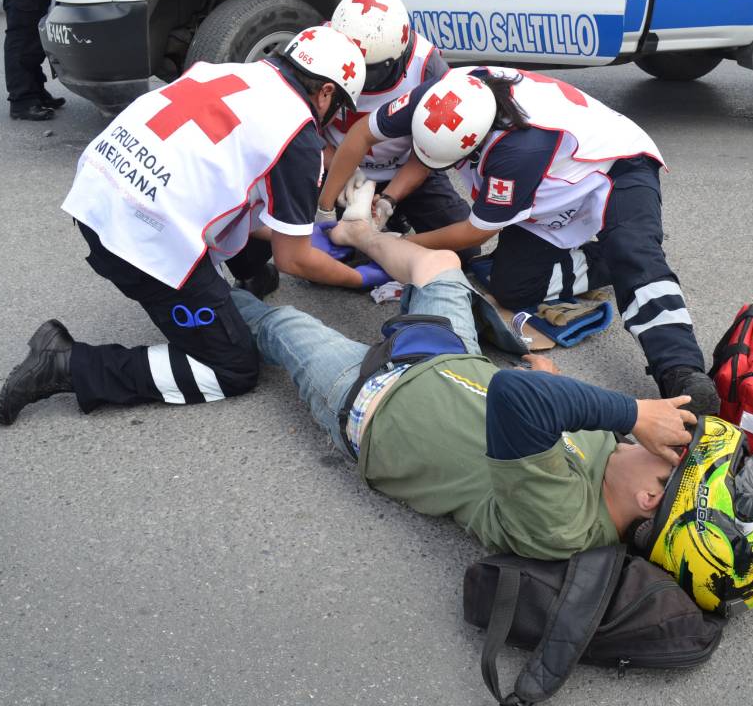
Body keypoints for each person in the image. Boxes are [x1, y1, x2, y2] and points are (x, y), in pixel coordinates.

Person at [229, 216, 698, 558]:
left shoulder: (563, 525)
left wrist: (635, 413)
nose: (661, 440)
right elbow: (542, 414)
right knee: (441, 263)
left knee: (277, 323)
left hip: (370, 401)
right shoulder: (615, 463)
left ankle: (188, 287)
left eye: (671, 453)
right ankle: (356, 230)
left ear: (650, 498)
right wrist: (552, 385)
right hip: (448, 355)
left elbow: (515, 400)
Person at [0, 26, 390, 425]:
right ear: (325, 93)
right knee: (232, 367)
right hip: (137, 240)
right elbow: (296, 261)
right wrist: (359, 278)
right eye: (335, 105)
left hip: (98, 192)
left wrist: (297, 233)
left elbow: (228, 189)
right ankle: (68, 365)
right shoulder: (298, 136)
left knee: (250, 201)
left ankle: (250, 277)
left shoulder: (230, 72)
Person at [330, 66, 719, 416]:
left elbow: (478, 231)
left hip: (615, 160)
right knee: (511, 288)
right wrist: (365, 201)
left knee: (635, 254)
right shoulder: (441, 95)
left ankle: (680, 369)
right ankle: (612, 255)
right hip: (547, 186)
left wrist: (395, 242)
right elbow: (373, 136)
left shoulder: (518, 149)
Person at [316, 0, 476, 256]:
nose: (358, 76)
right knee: (328, 258)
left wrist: (389, 199)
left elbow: (432, 148)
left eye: (369, 69)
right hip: (338, 170)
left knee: (466, 250)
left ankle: (396, 213)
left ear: (398, 57)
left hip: (407, 169)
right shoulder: (318, 48)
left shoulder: (427, 66)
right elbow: (302, 127)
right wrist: (333, 188)